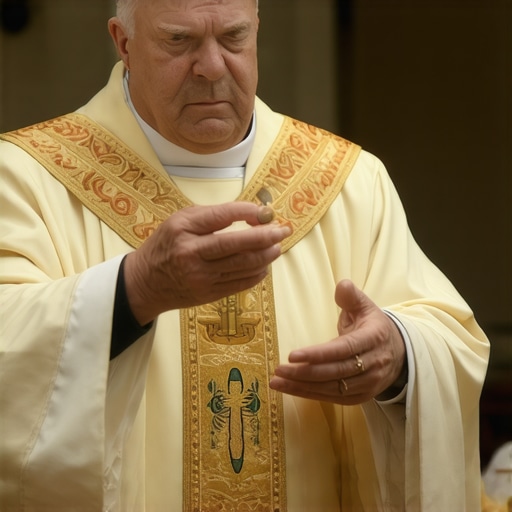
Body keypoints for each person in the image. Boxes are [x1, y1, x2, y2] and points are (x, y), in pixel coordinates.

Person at [0, 0, 490, 510]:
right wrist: (131, 291)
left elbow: (451, 337)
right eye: (179, 41)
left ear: (257, 30)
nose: (211, 67)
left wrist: (401, 355)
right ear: (123, 42)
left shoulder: (349, 182)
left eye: (233, 38)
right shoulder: (26, 177)